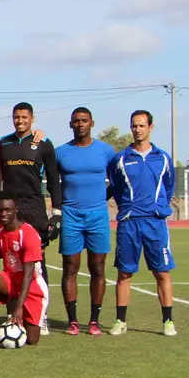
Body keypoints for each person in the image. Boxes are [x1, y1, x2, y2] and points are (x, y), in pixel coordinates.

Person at [107, 109, 177, 337]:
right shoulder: (121, 159)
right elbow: (116, 188)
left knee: (162, 272)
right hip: (129, 223)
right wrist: (128, 208)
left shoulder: (163, 158)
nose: (137, 129)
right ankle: (120, 320)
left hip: (155, 223)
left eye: (141, 125)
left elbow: (168, 187)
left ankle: (167, 321)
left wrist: (158, 208)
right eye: (134, 126)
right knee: (124, 274)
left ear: (150, 128)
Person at [0, 102, 63, 334]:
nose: (20, 121)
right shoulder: (4, 144)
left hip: (34, 209)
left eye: (24, 117)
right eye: (16, 117)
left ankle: (40, 315)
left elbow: (54, 180)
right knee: (11, 262)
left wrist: (56, 212)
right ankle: (13, 312)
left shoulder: (43, 143)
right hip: (11, 211)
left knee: (36, 263)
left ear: (32, 118)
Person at [54, 107, 117, 336]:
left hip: (98, 215)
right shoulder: (61, 152)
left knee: (97, 267)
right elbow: (52, 181)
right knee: (70, 266)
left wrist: (104, 197)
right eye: (76, 121)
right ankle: (72, 320)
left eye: (84, 121)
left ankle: (94, 320)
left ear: (92, 123)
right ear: (70, 124)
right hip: (71, 214)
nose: (80, 124)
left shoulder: (105, 151)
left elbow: (118, 178)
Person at [0, 192, 48, 348]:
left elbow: (29, 275)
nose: (3, 214)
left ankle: (15, 322)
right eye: (0, 210)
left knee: (31, 340)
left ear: (16, 210)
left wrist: (19, 307)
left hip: (33, 288)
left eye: (8, 210)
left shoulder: (28, 234)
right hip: (10, 279)